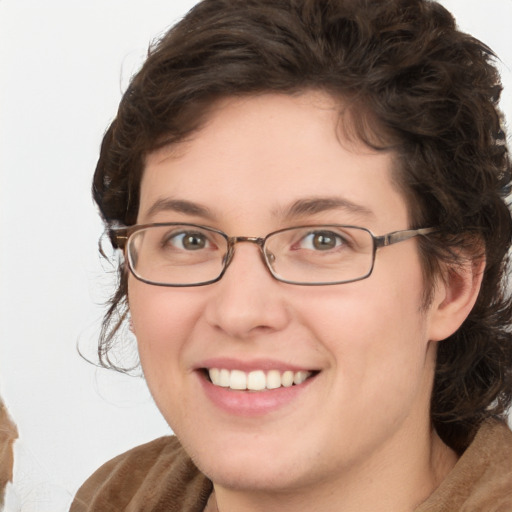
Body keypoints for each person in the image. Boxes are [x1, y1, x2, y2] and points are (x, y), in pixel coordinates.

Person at [71, 0, 512, 510]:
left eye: (324, 240)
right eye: (188, 239)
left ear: (450, 286)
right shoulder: (117, 497)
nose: (239, 312)